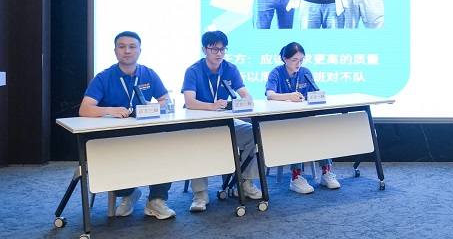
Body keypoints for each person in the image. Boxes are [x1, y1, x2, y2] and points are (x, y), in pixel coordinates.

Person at [78, 31, 175, 220]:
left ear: (139, 50)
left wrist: (150, 107)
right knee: (114, 164)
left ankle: (156, 200)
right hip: (115, 137)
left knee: (165, 148)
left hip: (146, 133)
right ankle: (129, 193)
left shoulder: (149, 74)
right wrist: (110, 110)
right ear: (115, 51)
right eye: (122, 47)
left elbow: (166, 102)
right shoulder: (104, 77)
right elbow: (84, 109)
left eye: (132, 47)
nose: (127, 51)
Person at [181, 31, 263, 212]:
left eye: (222, 49)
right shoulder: (193, 71)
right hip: (199, 126)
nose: (219, 53)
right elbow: (189, 101)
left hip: (226, 123)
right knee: (194, 144)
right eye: (214, 49)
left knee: (255, 134)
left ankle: (244, 182)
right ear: (204, 49)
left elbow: (246, 95)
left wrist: (240, 103)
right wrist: (211, 106)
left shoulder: (230, 68)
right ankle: (200, 193)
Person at [265, 42, 341, 194]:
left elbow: (314, 93)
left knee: (322, 130)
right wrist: (289, 96)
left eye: (301, 60)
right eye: (294, 60)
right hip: (283, 121)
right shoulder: (276, 73)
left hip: (305, 118)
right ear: (285, 58)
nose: (298, 64)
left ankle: (326, 172)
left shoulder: (305, 72)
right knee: (297, 132)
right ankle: (296, 177)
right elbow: (270, 94)